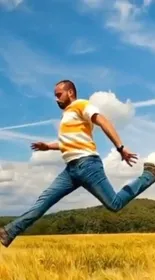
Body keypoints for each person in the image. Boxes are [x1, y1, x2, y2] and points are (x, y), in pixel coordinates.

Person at [0, 79, 155, 247]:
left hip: (88, 165)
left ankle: (149, 174)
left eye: (59, 95)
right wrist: (48, 146)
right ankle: (9, 232)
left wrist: (120, 147)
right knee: (43, 202)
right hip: (70, 170)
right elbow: (67, 142)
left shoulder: (81, 104)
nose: (56, 99)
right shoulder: (66, 116)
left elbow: (103, 121)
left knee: (115, 204)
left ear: (70, 92)